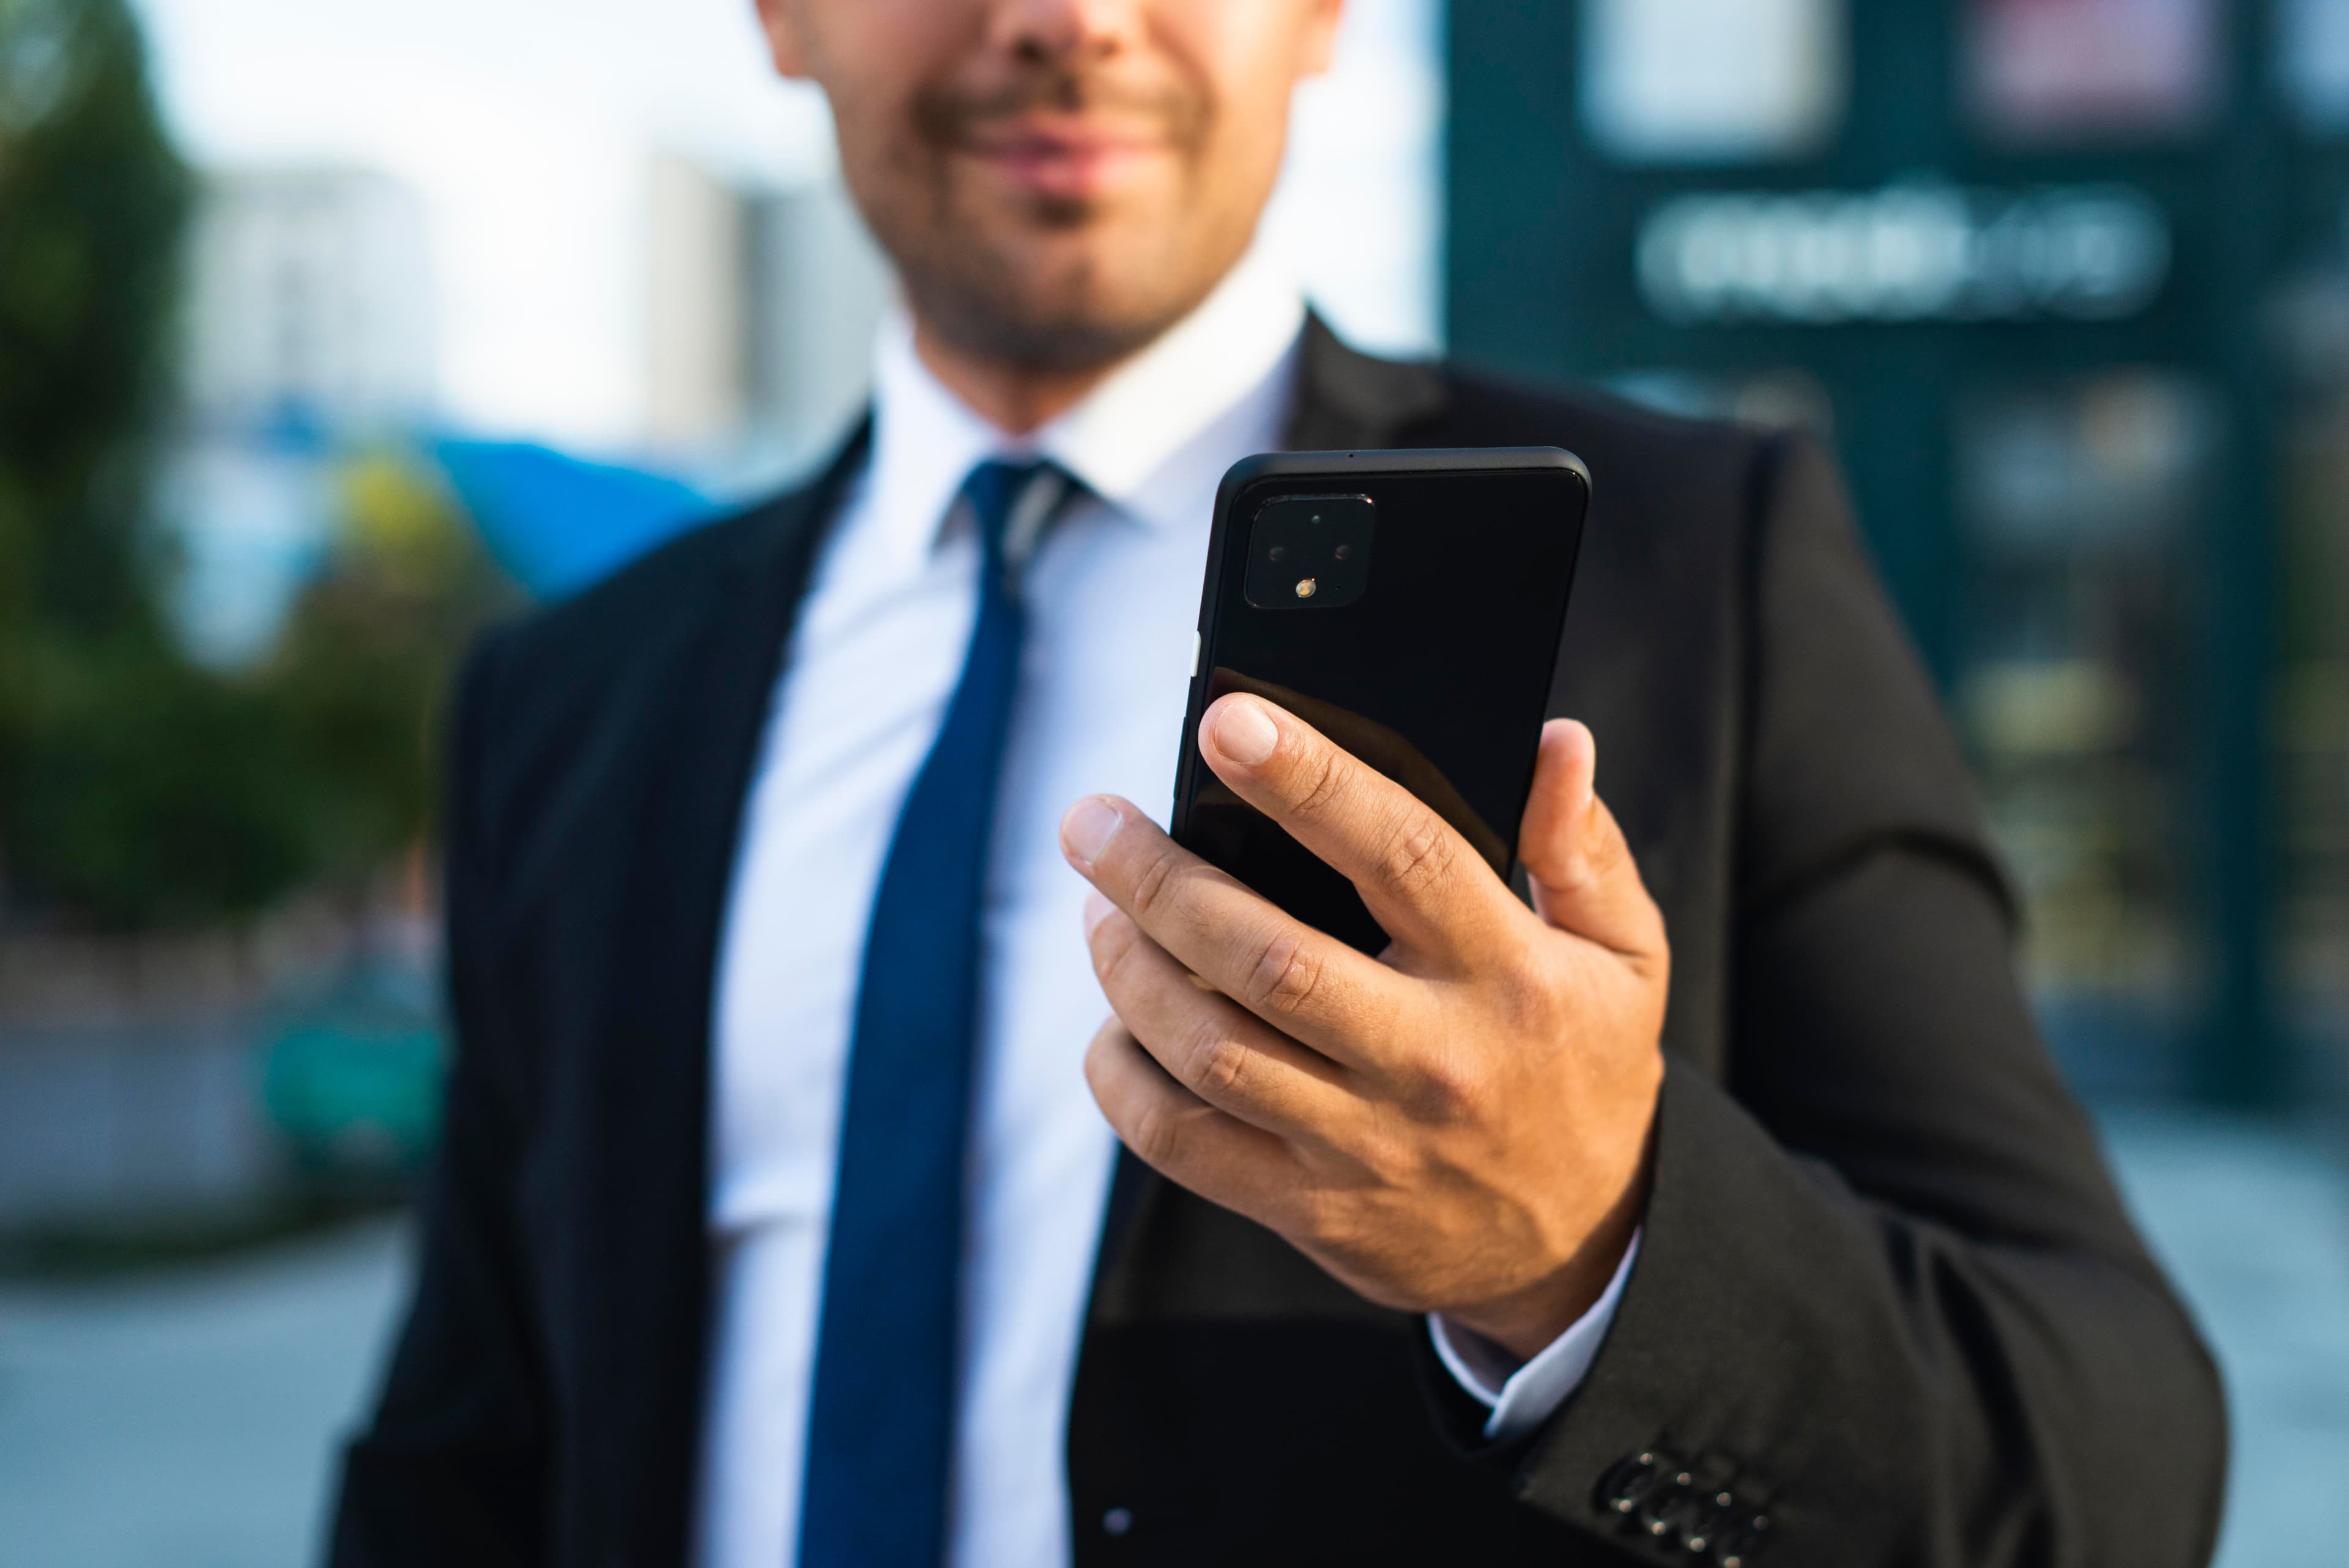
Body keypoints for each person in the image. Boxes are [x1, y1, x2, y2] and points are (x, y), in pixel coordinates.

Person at [329, 1, 2227, 1564]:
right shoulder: (573, 699)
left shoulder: (1694, 566)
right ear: (777, 21)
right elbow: (466, 1457)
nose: (1061, 27)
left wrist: (1589, 1243)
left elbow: (2111, 1466)